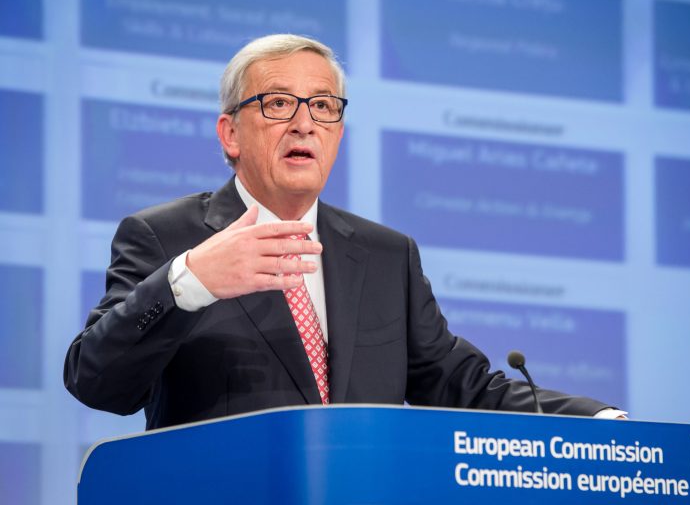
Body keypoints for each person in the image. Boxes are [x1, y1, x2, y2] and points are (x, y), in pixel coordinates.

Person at [64, 34, 623, 430]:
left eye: (324, 106)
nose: (304, 122)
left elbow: (460, 386)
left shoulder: (385, 255)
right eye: (279, 103)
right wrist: (191, 282)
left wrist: (594, 418)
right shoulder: (165, 237)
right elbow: (97, 383)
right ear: (229, 133)